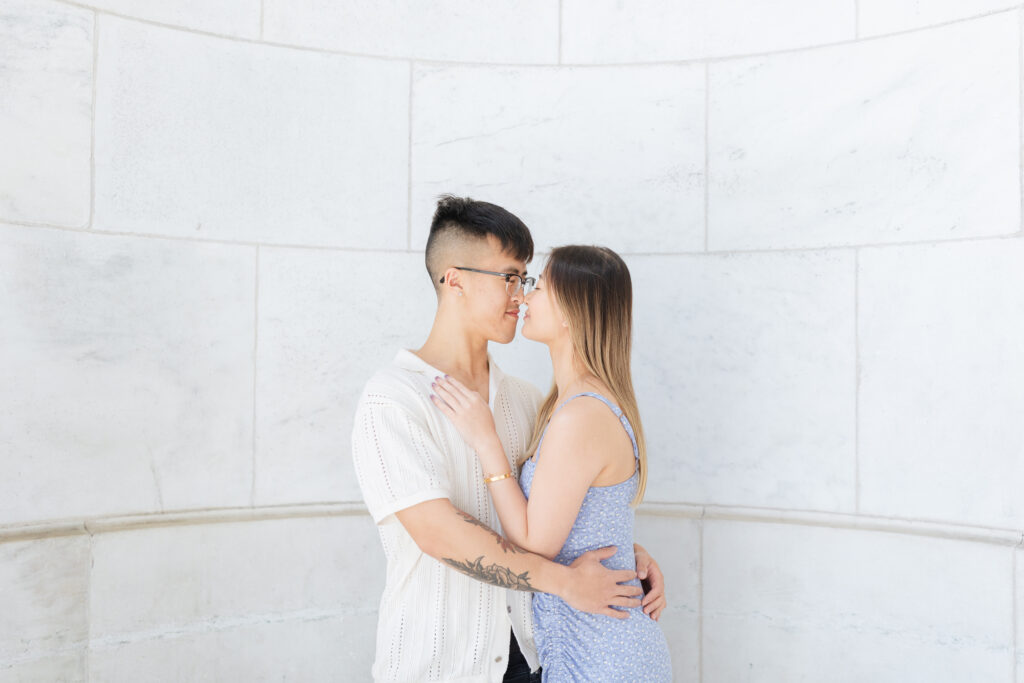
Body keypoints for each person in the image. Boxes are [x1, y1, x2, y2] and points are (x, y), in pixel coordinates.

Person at [351, 197, 667, 683]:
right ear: (454, 279)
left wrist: (622, 552)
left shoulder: (526, 401)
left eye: (527, 279)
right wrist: (569, 583)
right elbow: (440, 533)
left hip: (538, 660)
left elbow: (550, 513)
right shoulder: (392, 399)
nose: (521, 295)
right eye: (510, 277)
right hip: (440, 665)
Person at [430, 245, 672, 682]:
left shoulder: (581, 415)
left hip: (603, 656)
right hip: (592, 644)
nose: (523, 297)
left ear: (572, 312)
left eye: (537, 286)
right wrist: (632, 553)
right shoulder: (571, 404)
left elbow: (534, 543)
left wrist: (486, 440)